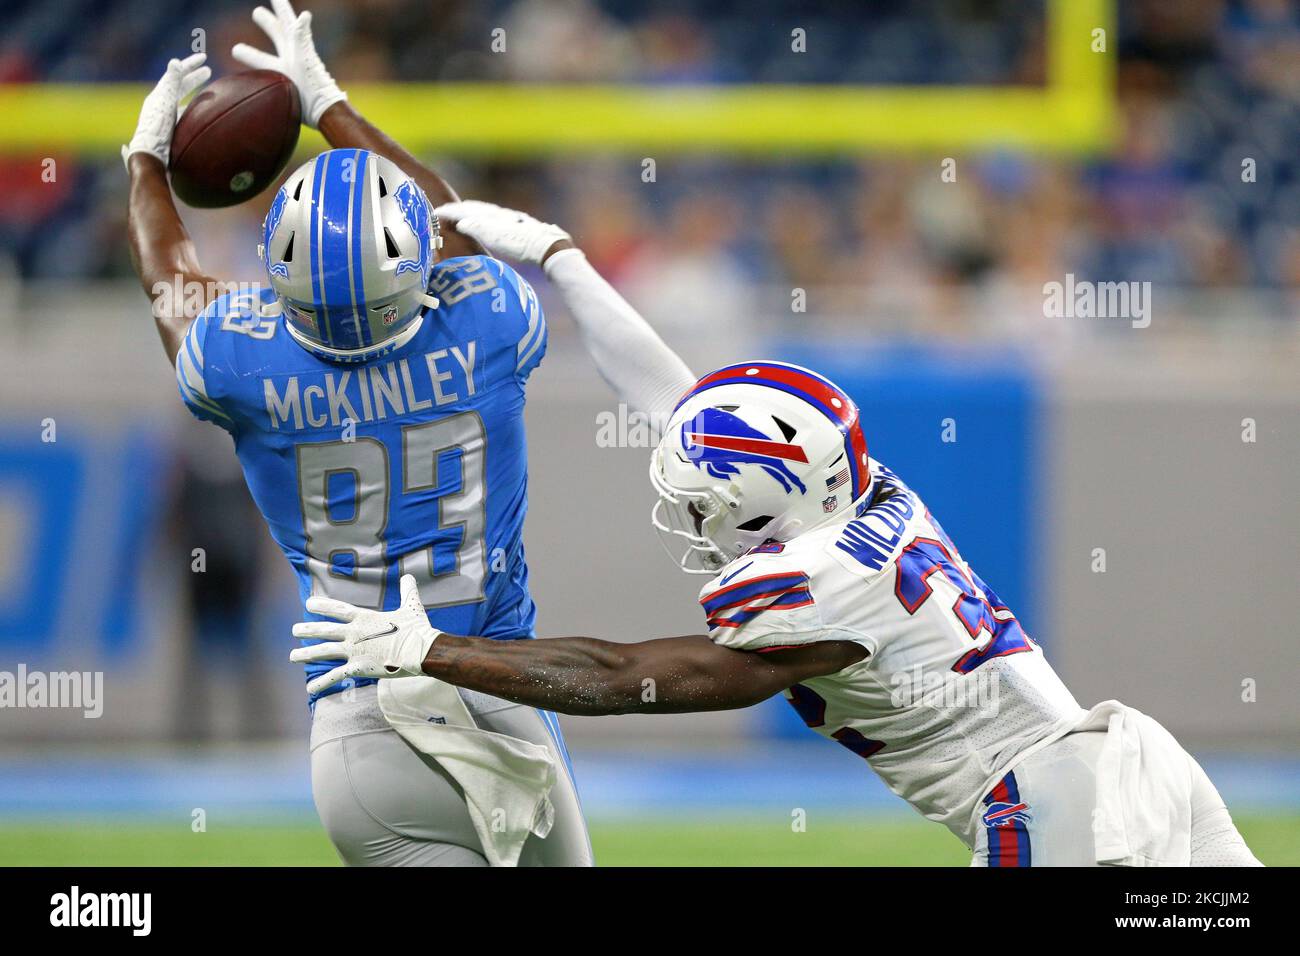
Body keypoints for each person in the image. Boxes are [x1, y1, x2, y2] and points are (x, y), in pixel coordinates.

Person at [293, 205, 1263, 868]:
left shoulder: (812, 580)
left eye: (705, 506)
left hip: (1050, 801)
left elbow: (629, 675)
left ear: (756, 507)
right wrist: (562, 260)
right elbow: (677, 396)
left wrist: (435, 650)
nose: (693, 522)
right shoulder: (863, 493)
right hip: (1136, 758)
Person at [123, 0, 691, 866]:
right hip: (504, 687)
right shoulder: (488, 321)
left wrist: (145, 164)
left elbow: (172, 281)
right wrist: (326, 101)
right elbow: (452, 217)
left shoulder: (243, 366)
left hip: (360, 730)